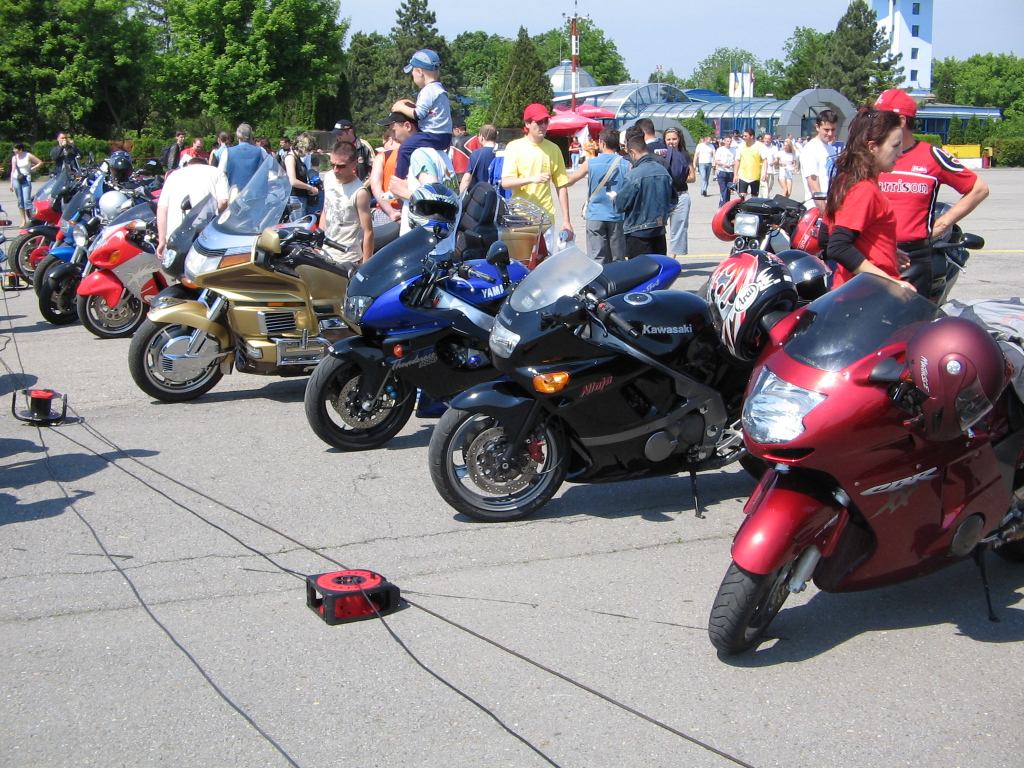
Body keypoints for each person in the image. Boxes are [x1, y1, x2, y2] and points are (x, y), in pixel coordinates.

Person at [874, 88, 991, 297]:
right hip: (873, 252)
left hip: (913, 258)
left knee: (910, 315)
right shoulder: (870, 154)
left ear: (901, 121)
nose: (873, 122)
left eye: (879, 117)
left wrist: (943, 224)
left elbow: (978, 189)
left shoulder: (932, 156)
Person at [824, 108, 912, 290]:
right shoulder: (864, 189)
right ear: (872, 148)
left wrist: (881, 250)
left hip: (851, 291)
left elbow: (825, 235)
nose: (900, 153)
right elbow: (838, 246)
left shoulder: (846, 181)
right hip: (868, 295)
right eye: (895, 145)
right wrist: (892, 282)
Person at [501, 103, 574, 250]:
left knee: (545, 260)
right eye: (539, 122)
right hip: (520, 217)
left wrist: (566, 220)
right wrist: (531, 179)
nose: (543, 126)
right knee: (522, 261)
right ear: (527, 124)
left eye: (546, 121)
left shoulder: (553, 149)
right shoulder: (514, 147)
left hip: (545, 218)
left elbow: (561, 185)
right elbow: (506, 183)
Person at [382, 112, 455, 235]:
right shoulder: (441, 153)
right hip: (442, 240)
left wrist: (402, 192)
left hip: (425, 241)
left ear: (408, 126)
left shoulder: (420, 154)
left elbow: (437, 202)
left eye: (394, 130)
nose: (393, 136)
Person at [566, 128, 629, 264]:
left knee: (597, 258)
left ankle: (599, 278)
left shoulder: (590, 163)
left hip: (596, 214)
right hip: (617, 215)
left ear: (602, 142)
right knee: (618, 258)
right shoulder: (626, 164)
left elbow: (569, 180)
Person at [390, 49, 452, 183]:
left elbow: (418, 114)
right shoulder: (438, 88)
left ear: (419, 71)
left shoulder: (428, 90)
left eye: (412, 72)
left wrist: (401, 107)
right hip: (445, 136)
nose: (412, 76)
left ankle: (399, 181)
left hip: (433, 135)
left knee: (404, 149)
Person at [613, 133, 673, 259]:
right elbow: (673, 200)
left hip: (637, 232)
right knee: (658, 267)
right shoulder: (663, 171)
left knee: (639, 269)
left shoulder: (633, 175)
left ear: (632, 152)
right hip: (659, 230)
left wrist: (615, 198)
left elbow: (620, 205)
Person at [155, 156, 229, 258]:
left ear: (188, 165)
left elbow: (162, 208)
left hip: (175, 235)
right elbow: (223, 202)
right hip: (204, 234)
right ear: (206, 164)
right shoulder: (217, 172)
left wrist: (162, 240)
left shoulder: (173, 175)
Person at [320, 141, 374, 264]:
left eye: (341, 166)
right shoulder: (328, 177)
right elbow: (325, 211)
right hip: (325, 253)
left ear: (354, 163)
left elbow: (368, 231)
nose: (335, 170)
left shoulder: (359, 192)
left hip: (348, 259)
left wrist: (365, 265)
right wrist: (318, 242)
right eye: (332, 164)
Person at [802, 110, 839, 212]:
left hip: (833, 206)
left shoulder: (830, 148)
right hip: (817, 211)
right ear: (817, 127)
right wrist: (825, 214)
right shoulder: (811, 149)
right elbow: (815, 189)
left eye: (833, 129)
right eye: (826, 129)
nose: (830, 133)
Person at [663, 127, 692, 257]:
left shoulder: (684, 155)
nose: (671, 142)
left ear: (679, 139)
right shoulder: (661, 155)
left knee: (679, 228)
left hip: (681, 195)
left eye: (674, 139)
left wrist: (678, 177)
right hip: (664, 196)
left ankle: (672, 257)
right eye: (668, 139)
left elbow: (692, 177)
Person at [220, 123, 269, 192]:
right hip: (256, 193)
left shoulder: (227, 152)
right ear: (251, 135)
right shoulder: (261, 150)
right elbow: (271, 169)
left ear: (237, 137)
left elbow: (221, 174)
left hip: (235, 193)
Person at [283, 132, 319, 221]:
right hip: (295, 198)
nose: (307, 154)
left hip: (301, 197)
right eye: (308, 151)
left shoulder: (298, 158)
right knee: (299, 225)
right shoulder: (290, 158)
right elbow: (293, 181)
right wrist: (310, 187)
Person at [370, 127, 402, 223]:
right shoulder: (414, 153)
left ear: (390, 140)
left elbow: (375, 187)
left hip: (387, 210)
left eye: (384, 144)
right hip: (410, 208)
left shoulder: (383, 156)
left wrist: (392, 213)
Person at [9, 143, 44, 227]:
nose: (14, 151)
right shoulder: (14, 158)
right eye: (13, 149)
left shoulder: (28, 155)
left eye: (15, 149)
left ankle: (31, 219)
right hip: (16, 178)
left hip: (26, 179)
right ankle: (23, 220)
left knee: (27, 200)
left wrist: (31, 168)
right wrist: (11, 184)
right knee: (20, 201)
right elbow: (13, 170)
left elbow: (40, 162)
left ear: (20, 149)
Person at [460, 124, 498, 194]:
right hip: (499, 196)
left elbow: (467, 179)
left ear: (481, 137)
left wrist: (459, 196)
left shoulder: (476, 154)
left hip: (480, 195)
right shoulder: (503, 153)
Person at [733, 128, 767, 199]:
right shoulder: (741, 146)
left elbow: (765, 160)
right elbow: (737, 160)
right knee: (742, 197)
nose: (744, 137)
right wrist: (735, 174)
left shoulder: (760, 146)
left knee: (754, 197)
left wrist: (764, 173)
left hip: (755, 176)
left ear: (751, 136)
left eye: (746, 136)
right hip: (743, 176)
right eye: (743, 136)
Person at [714, 137, 735, 207]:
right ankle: (722, 205)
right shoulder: (720, 150)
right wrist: (723, 164)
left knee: (729, 190)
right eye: (727, 141)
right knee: (723, 190)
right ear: (724, 141)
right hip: (722, 171)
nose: (729, 143)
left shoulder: (733, 150)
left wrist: (731, 165)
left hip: (730, 172)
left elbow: (736, 161)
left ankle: (727, 205)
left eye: (730, 141)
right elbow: (716, 161)